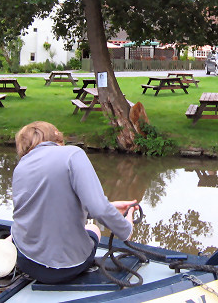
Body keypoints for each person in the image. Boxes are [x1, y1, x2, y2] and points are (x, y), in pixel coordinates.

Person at [11, 121, 138, 284]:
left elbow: (48, 204)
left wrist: (111, 206)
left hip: (27, 262)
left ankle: (2, 247)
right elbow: (99, 209)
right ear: (56, 136)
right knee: (92, 228)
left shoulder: (20, 167)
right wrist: (126, 229)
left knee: (17, 230)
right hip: (67, 268)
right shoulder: (72, 154)